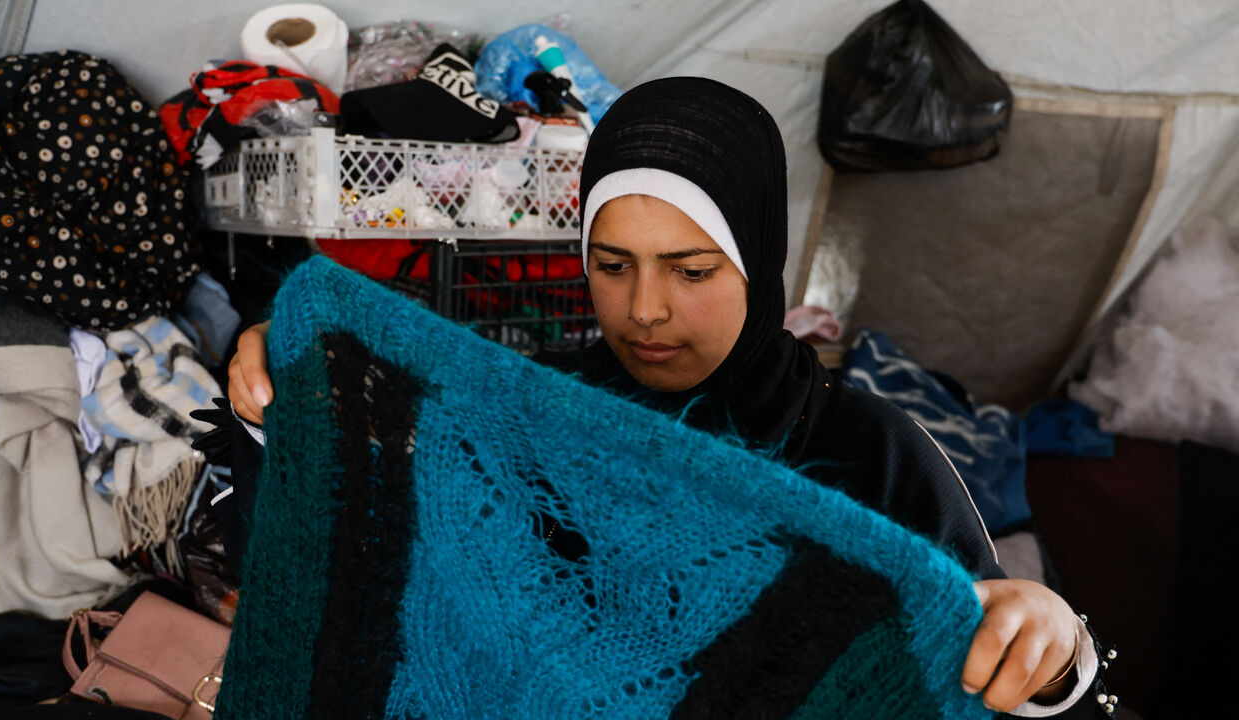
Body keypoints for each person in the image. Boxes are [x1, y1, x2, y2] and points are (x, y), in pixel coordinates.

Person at [227, 77, 1108, 717]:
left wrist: (1053, 645)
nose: (645, 309)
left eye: (691, 271)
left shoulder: (868, 449)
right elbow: (389, 553)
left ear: (759, 264)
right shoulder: (540, 416)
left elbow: (990, 657)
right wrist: (287, 400)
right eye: (612, 267)